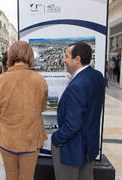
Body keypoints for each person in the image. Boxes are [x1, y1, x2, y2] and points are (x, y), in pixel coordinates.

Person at [0, 41, 48, 180]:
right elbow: (42, 107)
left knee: (11, 176)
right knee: (27, 177)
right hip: (31, 137)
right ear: (30, 56)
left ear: (11, 56)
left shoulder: (0, 80)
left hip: (8, 137)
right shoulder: (40, 79)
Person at [51, 42, 105, 180]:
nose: (63, 60)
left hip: (72, 150)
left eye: (66, 56)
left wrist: (56, 139)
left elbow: (74, 124)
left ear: (77, 59)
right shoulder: (96, 76)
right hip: (89, 146)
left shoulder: (78, 85)